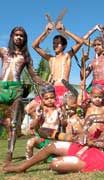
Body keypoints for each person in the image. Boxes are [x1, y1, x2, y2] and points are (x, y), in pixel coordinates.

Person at [0, 26, 44, 161]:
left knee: (14, 123)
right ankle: (4, 122)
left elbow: (34, 77)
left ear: (24, 39)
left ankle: (10, 153)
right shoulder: (3, 51)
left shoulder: (26, 57)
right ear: (12, 36)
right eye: (16, 35)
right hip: (2, 87)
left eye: (22, 36)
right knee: (7, 122)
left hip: (16, 89)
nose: (19, 37)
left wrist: (45, 83)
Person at [25, 84, 64, 160]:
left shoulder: (58, 110)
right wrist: (38, 116)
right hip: (42, 138)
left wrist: (62, 116)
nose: (49, 100)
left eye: (52, 98)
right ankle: (29, 161)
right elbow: (34, 125)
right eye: (46, 98)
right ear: (42, 99)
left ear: (55, 98)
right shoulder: (40, 110)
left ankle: (47, 154)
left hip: (54, 138)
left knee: (51, 159)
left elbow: (63, 124)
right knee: (30, 142)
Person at [81, 36, 104, 111]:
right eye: (94, 45)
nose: (96, 47)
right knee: (86, 103)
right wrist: (83, 62)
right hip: (95, 85)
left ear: (103, 46)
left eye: (98, 44)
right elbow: (83, 76)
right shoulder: (92, 62)